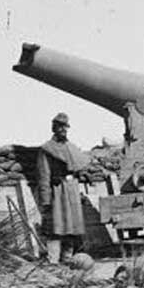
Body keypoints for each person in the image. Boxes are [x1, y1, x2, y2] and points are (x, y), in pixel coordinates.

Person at [36, 113, 92, 264]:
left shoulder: (71, 147)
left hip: (72, 188)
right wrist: (46, 200)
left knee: (72, 226)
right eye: (60, 126)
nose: (63, 129)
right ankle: (53, 260)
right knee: (57, 226)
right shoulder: (47, 149)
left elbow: (78, 166)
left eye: (65, 126)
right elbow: (44, 175)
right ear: (54, 128)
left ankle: (68, 259)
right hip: (58, 190)